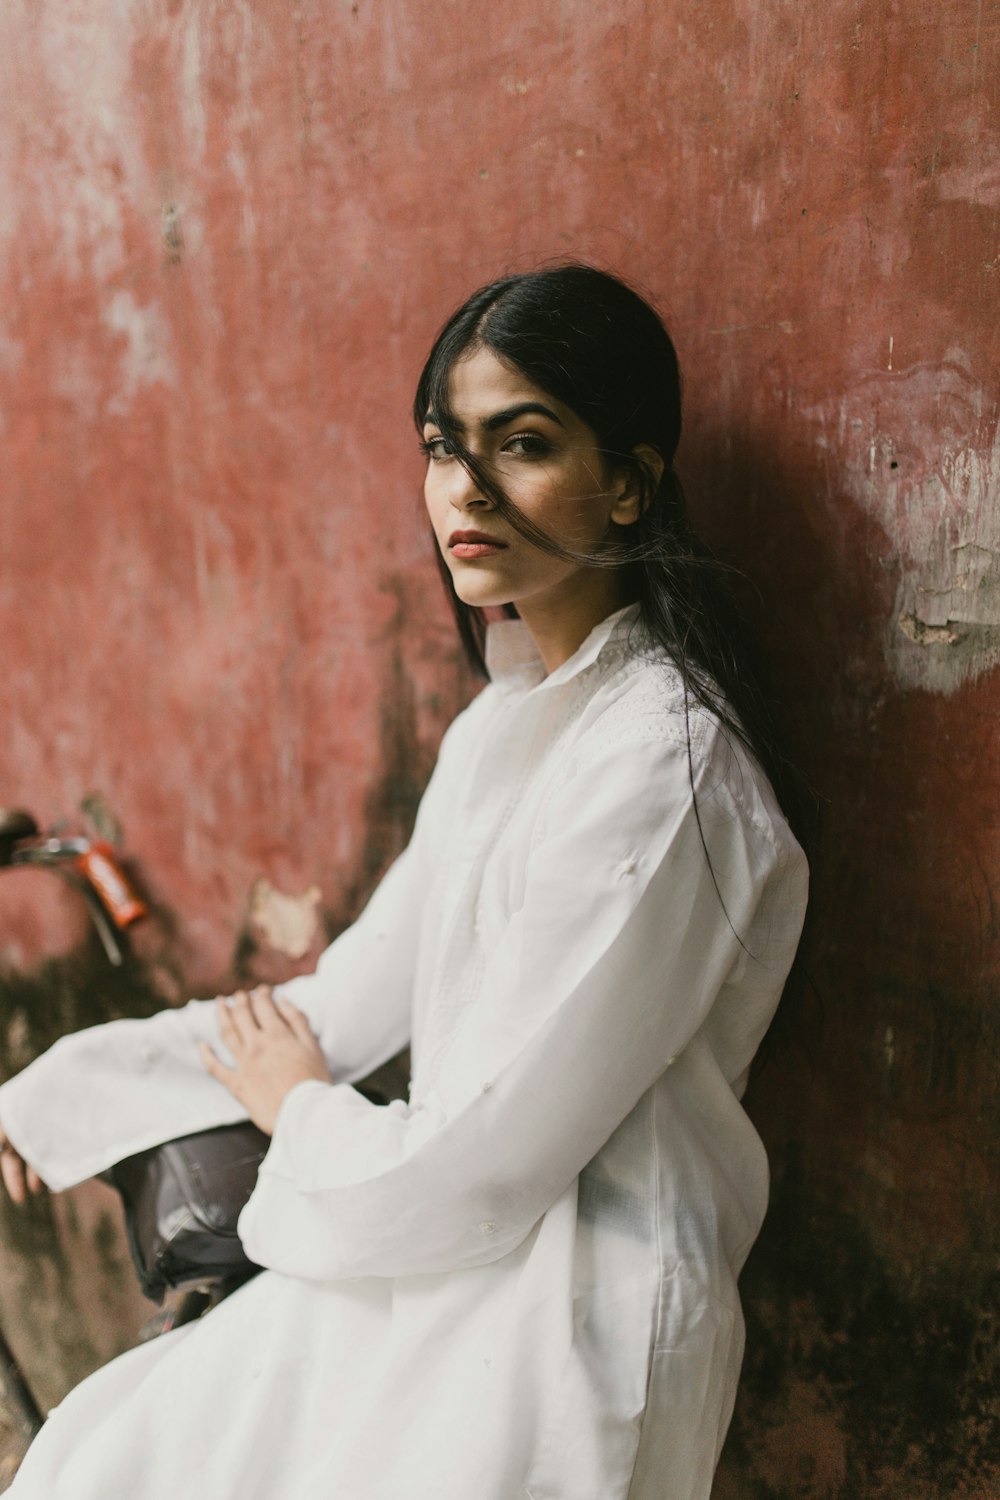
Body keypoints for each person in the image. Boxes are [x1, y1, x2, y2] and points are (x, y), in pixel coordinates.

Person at [0, 264, 807, 1499]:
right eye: (444, 447)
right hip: (426, 1251)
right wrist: (51, 1100)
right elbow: (331, 1014)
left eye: (522, 444)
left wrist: (303, 1113)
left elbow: (484, 1158)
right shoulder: (504, 728)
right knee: (104, 1459)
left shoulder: (665, 766)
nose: (464, 492)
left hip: (566, 1316)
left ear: (631, 481)